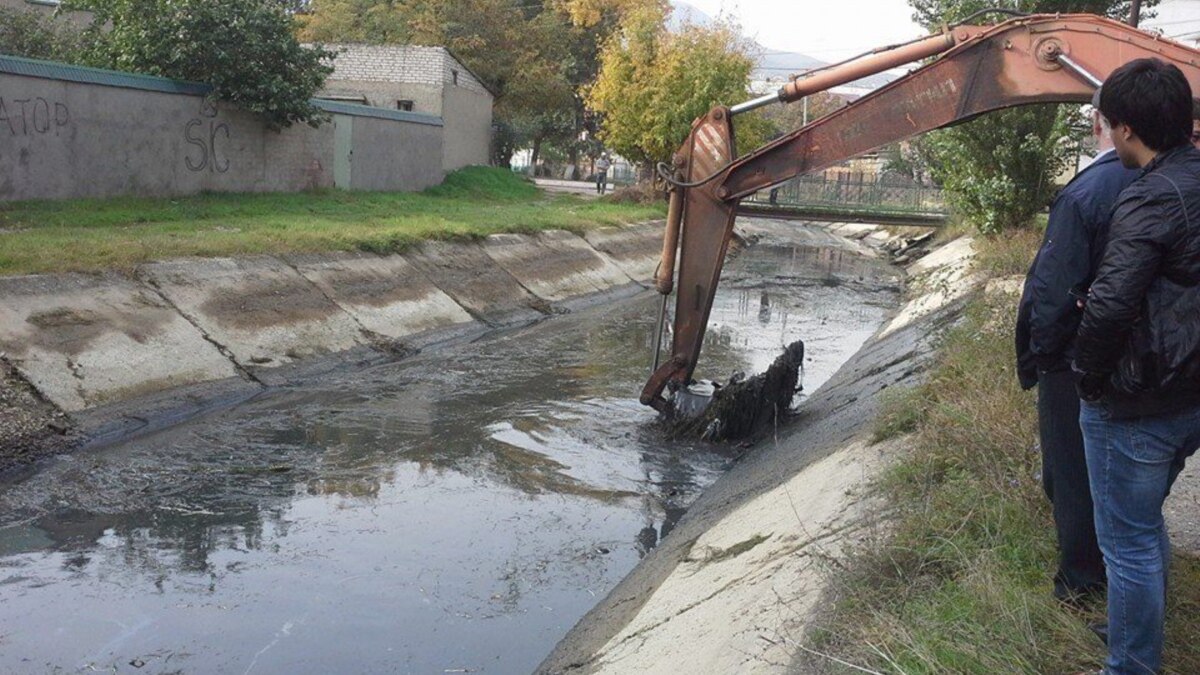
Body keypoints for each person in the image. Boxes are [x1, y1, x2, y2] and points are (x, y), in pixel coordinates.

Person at [1073, 58, 1200, 675]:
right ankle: (1131, 628)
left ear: (1123, 129)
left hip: (1144, 398)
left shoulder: (1147, 196)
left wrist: (1089, 380)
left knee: (1128, 542)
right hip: (1190, 389)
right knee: (1143, 529)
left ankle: (1130, 665)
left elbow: (1112, 302)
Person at [1015, 91, 1140, 606]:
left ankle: (1082, 582)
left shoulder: (1087, 193)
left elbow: (1055, 287)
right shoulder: (1176, 181)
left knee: (1071, 472)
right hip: (1143, 358)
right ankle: (1119, 571)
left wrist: (1043, 355)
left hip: (1076, 357)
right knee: (1124, 475)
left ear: (1100, 123)